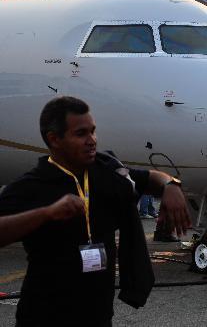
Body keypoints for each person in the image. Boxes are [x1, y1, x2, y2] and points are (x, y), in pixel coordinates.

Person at [0, 96, 190, 327]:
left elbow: (151, 178)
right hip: (44, 316)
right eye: (81, 134)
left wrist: (171, 185)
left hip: (98, 316)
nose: (92, 141)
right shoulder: (32, 185)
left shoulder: (108, 172)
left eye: (93, 132)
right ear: (54, 139)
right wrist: (46, 213)